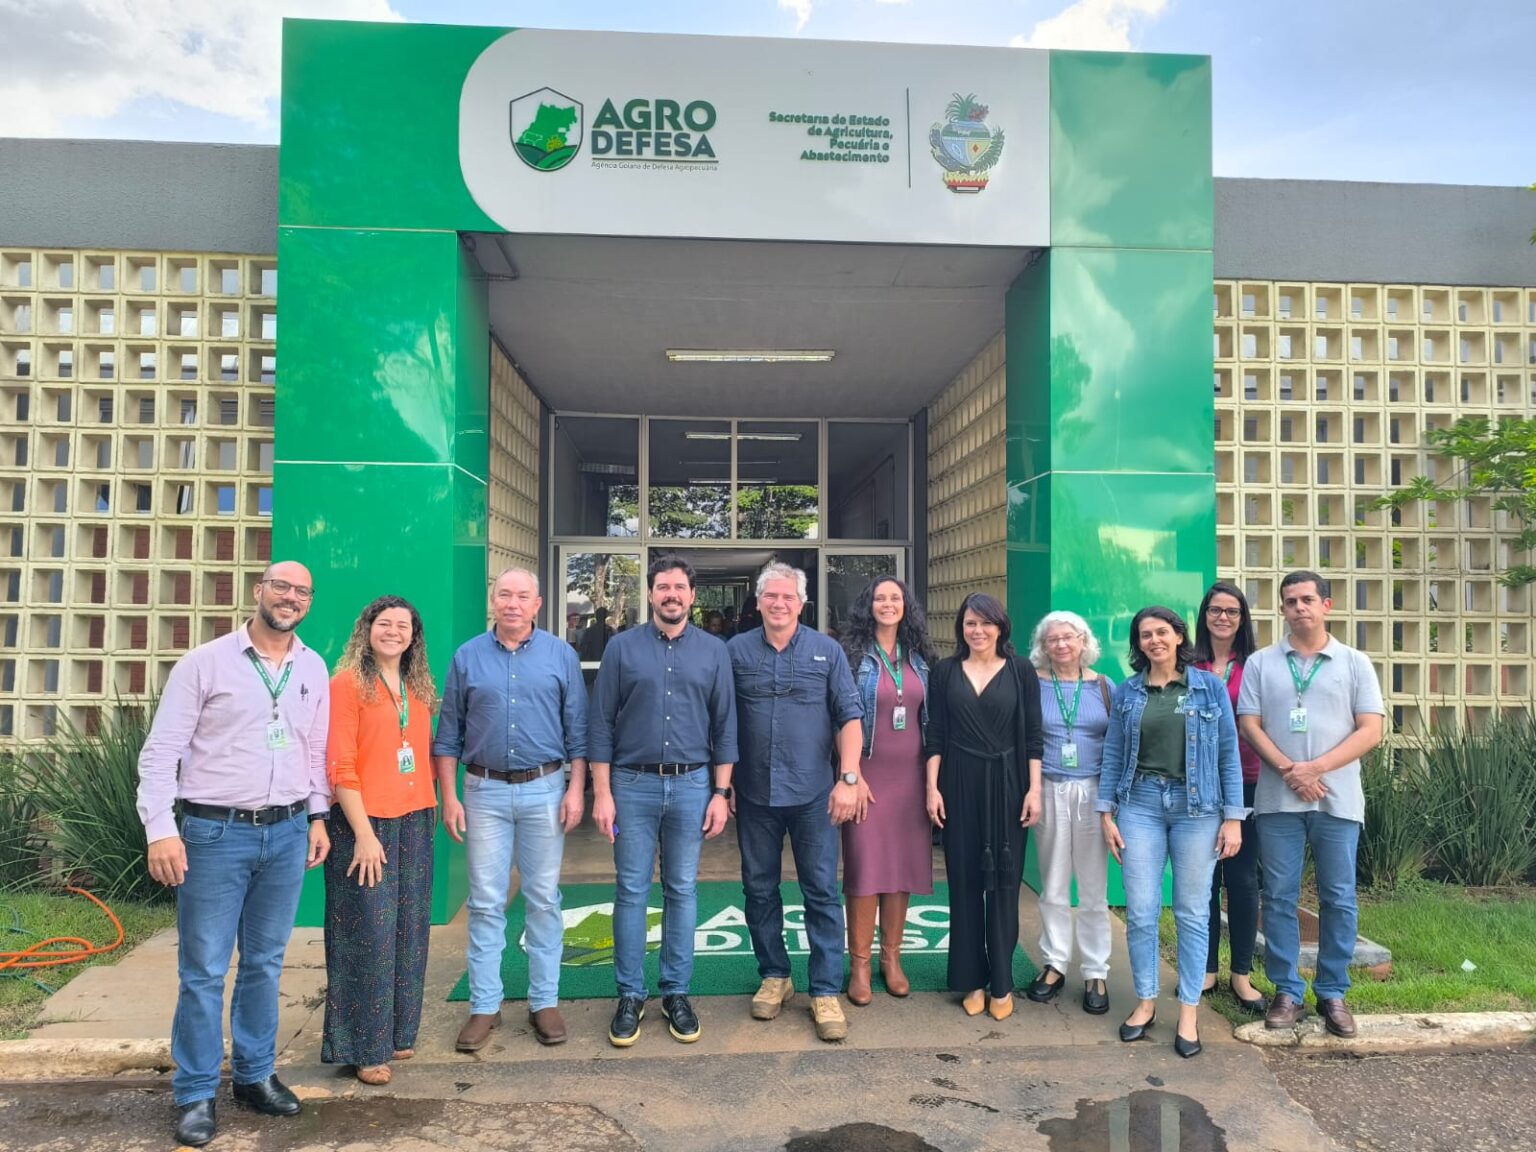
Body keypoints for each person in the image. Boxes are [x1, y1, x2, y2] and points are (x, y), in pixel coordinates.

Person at [136, 562, 331, 1148]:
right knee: (203, 970)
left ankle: (253, 1075)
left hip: (287, 831)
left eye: (301, 592)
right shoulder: (204, 663)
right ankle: (196, 1092)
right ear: (258, 591)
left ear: (308, 602)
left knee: (265, 963)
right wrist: (160, 829)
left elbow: (313, 749)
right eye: (281, 587)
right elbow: (160, 752)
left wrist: (317, 816)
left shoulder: (312, 667)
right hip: (214, 835)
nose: (290, 598)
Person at [432, 568, 588, 1053]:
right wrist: (449, 796)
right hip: (484, 792)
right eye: (505, 595)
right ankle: (485, 1005)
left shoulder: (561, 655)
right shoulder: (467, 656)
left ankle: (544, 1001)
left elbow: (578, 732)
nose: (513, 603)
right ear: (493, 600)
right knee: (484, 902)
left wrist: (576, 790)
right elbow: (448, 735)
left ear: (538, 604)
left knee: (542, 898)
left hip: (545, 788)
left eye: (523, 596)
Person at [590, 554, 738, 1047]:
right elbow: (600, 723)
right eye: (663, 587)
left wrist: (721, 792)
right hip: (631, 786)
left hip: (693, 786)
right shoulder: (621, 648)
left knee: (682, 890)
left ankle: (676, 992)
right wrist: (602, 793)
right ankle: (630, 995)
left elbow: (725, 725)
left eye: (679, 587)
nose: (671, 595)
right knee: (631, 890)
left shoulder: (714, 651)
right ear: (651, 594)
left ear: (692, 596)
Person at [1236, 571, 1385, 1038]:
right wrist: (1290, 770)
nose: (1298, 607)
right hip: (1278, 799)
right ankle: (1287, 992)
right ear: (1282, 609)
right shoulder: (1261, 662)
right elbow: (1249, 724)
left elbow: (1371, 729)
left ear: (1326, 605)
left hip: (1337, 800)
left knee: (1338, 897)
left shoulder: (1355, 663)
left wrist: (1315, 768)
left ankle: (1333, 992)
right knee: (1279, 896)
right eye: (1290, 601)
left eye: (1306, 599)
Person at [1097, 606, 1245, 1059]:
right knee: (1141, 911)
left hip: (1197, 809)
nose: (1154, 641)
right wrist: (1106, 812)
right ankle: (1145, 1003)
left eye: (1162, 632)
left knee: (1192, 912)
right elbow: (1113, 752)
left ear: (1179, 636)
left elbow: (1228, 753)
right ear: (1138, 644)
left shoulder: (1208, 687)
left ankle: (1188, 1012)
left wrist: (1234, 817)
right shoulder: (1128, 691)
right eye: (1145, 635)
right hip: (1139, 804)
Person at [728, 562, 862, 1041]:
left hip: (814, 795)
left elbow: (849, 716)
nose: (779, 603)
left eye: (788, 596)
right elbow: (721, 719)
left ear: (801, 603)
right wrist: (723, 785)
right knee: (759, 889)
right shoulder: (736, 651)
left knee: (821, 891)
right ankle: (775, 976)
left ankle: (824, 990)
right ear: (759, 602)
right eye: (771, 596)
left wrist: (848, 779)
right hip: (754, 794)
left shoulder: (827, 651)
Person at [321, 595, 438, 1085]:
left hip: (415, 817)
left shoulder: (417, 686)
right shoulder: (347, 685)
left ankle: (397, 1031)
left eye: (403, 626)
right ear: (366, 629)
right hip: (365, 822)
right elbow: (340, 765)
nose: (394, 632)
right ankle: (364, 1047)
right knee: (366, 934)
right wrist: (364, 835)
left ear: (414, 636)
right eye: (384, 623)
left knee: (409, 929)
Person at [924, 593, 1043, 1021]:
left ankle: (1002, 983)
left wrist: (1034, 790)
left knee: (1005, 886)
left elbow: (1033, 735)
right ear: (961, 628)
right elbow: (936, 733)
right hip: (958, 782)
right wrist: (932, 788)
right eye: (970, 623)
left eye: (986, 623)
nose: (978, 631)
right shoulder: (944, 671)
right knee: (964, 883)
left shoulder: (1021, 670)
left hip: (1008, 784)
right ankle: (971, 979)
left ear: (1000, 627)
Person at [838, 576, 935, 1006]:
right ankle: (859, 963)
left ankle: (891, 959)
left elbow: (932, 718)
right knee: (864, 868)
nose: (888, 604)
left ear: (905, 606)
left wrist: (933, 780)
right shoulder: (852, 656)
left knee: (901, 869)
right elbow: (840, 716)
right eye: (880, 598)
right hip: (866, 777)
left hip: (912, 778)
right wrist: (850, 774)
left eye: (896, 597)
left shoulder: (921, 657)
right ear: (869, 605)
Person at [1023, 611, 1115, 1016]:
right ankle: (1055, 963)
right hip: (1048, 788)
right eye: (1052, 639)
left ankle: (1096, 970)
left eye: (1068, 637)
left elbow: (1117, 744)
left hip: (1093, 791)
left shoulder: (1104, 686)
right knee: (1054, 884)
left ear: (1083, 641)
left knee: (1094, 889)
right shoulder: (1033, 684)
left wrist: (1111, 802)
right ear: (1043, 646)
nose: (1061, 644)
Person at [1192, 581, 1267, 1013]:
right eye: (1215, 610)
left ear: (1242, 619)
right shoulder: (1189, 664)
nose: (1223, 617)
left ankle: (1241, 973)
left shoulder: (1256, 666)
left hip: (1248, 781)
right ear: (1204, 615)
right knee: (1203, 879)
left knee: (1241, 880)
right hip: (1198, 786)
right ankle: (1206, 969)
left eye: (1232, 611)